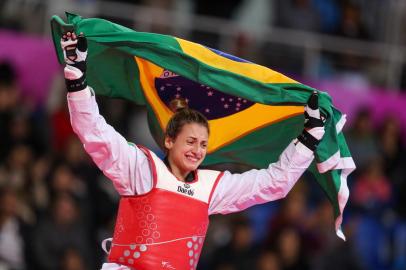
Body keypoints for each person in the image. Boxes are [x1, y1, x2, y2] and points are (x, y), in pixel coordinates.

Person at [60, 31, 325, 270]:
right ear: (169, 141)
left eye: (202, 144)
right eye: (190, 142)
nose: (197, 150)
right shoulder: (141, 167)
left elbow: (273, 184)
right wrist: (76, 76)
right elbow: (94, 132)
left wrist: (309, 137)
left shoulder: (211, 187)